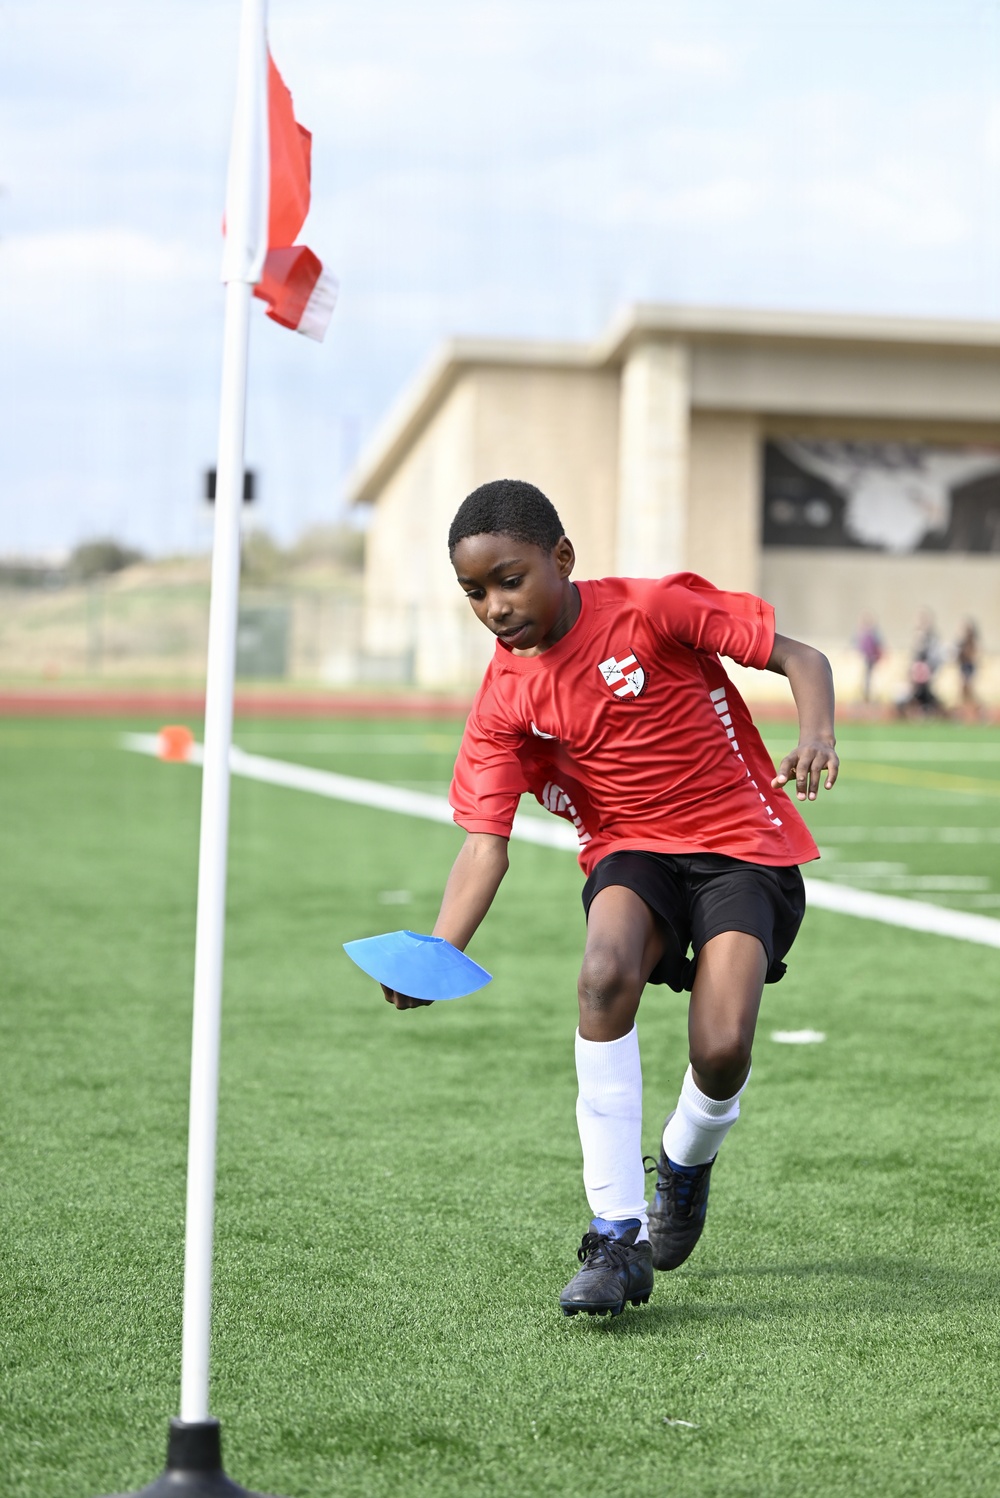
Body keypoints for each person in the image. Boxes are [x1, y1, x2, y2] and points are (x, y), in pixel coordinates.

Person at [378, 479, 838, 1318]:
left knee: (724, 1045)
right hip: (631, 854)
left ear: (562, 559)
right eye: (474, 592)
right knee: (601, 975)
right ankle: (615, 1234)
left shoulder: (656, 610)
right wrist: (442, 950)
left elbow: (803, 658)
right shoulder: (503, 699)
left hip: (744, 849)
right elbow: (486, 845)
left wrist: (816, 733)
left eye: (509, 580)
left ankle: (685, 1164)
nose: (493, 607)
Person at [856, 613, 884, 704]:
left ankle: (872, 697)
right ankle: (866, 697)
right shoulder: (862, 633)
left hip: (872, 659)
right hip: (865, 659)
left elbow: (879, 646)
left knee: (871, 679)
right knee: (865, 679)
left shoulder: (874, 633)